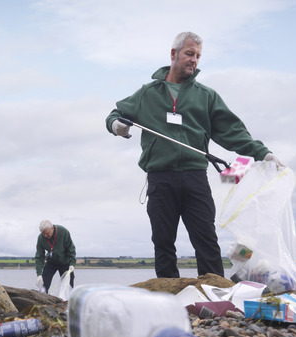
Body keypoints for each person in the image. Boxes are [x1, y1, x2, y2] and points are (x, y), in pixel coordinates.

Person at [106, 31, 284, 279]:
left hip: (195, 177)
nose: (194, 60)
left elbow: (233, 132)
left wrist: (263, 153)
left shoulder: (206, 96)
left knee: (206, 240)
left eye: (198, 56)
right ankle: (168, 298)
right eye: (190, 53)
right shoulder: (147, 93)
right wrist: (117, 127)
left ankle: (215, 296)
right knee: (163, 243)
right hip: (160, 178)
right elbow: (115, 114)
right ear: (173, 54)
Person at [34, 220, 76, 293]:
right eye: (43, 234)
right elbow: (39, 257)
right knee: (44, 284)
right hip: (51, 262)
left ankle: (68, 301)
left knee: (68, 286)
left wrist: (72, 263)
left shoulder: (63, 232)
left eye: (47, 233)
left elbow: (71, 249)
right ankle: (42, 301)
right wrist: (39, 274)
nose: (45, 236)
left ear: (52, 228)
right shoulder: (41, 238)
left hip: (65, 262)